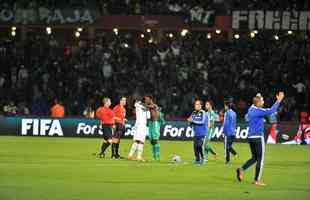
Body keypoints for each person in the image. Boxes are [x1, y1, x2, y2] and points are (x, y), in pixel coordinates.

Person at [236, 92, 285, 186]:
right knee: (260, 159)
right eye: (262, 101)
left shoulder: (251, 109)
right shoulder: (259, 111)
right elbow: (271, 110)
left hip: (250, 137)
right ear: (258, 103)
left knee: (254, 157)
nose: (263, 102)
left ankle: (242, 169)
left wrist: (258, 96)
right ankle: (256, 180)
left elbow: (255, 102)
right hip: (258, 137)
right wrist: (279, 100)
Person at [128, 97, 150, 161]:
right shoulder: (139, 105)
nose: (148, 101)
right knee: (141, 141)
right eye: (147, 100)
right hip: (141, 125)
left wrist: (147, 108)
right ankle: (139, 157)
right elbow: (137, 104)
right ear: (144, 101)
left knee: (137, 141)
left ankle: (130, 155)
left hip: (140, 125)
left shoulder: (143, 107)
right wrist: (146, 107)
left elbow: (148, 117)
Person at [144, 95, 165, 161]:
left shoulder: (154, 105)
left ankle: (158, 156)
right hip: (150, 123)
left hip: (155, 123)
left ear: (150, 99)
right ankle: (154, 156)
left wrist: (141, 104)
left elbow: (151, 107)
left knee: (156, 139)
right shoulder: (147, 107)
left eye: (147, 99)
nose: (146, 101)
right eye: (145, 100)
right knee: (152, 141)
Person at [187, 100, 208, 165]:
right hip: (196, 133)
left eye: (197, 104)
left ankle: (203, 159)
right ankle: (197, 159)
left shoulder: (203, 113)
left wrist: (193, 121)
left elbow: (202, 121)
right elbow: (190, 122)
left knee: (199, 146)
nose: (196, 106)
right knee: (195, 147)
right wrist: (189, 122)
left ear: (201, 105)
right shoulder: (193, 113)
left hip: (202, 133)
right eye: (195, 104)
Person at [222, 97, 238, 164]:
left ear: (227, 106)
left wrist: (223, 131)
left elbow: (225, 123)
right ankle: (235, 153)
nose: (224, 107)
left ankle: (227, 160)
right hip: (233, 132)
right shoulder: (234, 113)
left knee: (226, 147)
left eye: (225, 106)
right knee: (229, 146)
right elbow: (234, 123)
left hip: (228, 132)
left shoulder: (226, 113)